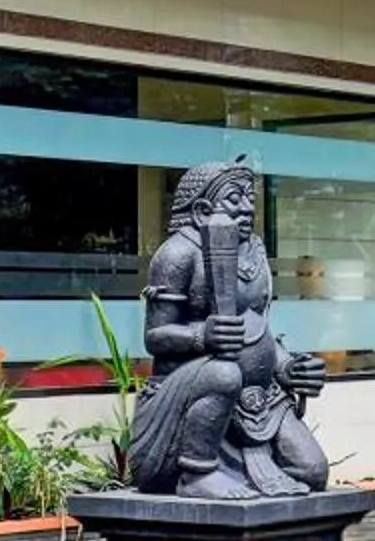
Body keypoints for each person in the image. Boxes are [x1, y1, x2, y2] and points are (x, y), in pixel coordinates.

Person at [124, 159, 330, 499]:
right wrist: (201, 336)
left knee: (312, 470)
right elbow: (155, 336)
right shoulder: (177, 254)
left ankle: (247, 475)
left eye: (250, 198)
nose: (248, 208)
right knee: (224, 374)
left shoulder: (255, 251)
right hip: (199, 386)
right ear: (203, 209)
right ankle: (197, 473)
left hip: (260, 397)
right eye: (234, 199)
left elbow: (257, 325)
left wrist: (287, 366)